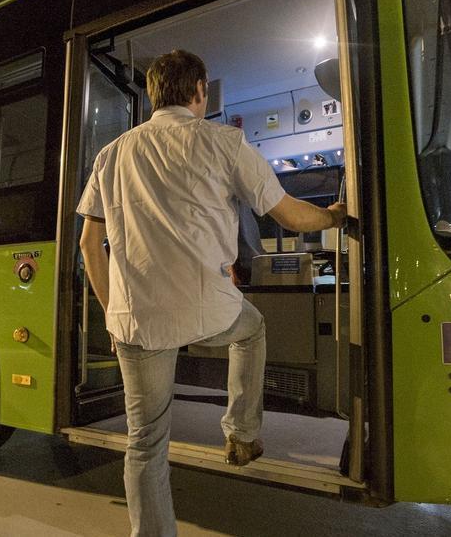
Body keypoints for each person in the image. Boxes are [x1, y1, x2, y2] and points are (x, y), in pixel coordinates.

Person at [76, 49, 346, 536]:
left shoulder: (111, 154)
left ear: (155, 94)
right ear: (199, 91)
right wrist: (336, 214)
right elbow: (288, 214)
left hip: (137, 318)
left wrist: (112, 313)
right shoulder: (226, 142)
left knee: (145, 442)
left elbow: (88, 244)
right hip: (210, 308)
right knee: (253, 329)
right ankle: (241, 433)